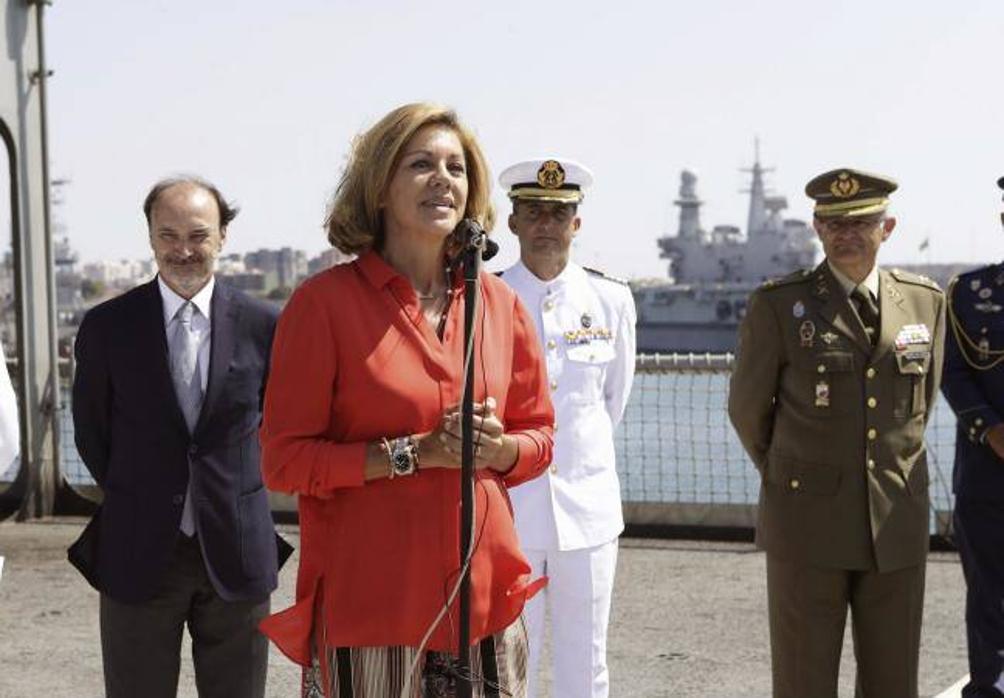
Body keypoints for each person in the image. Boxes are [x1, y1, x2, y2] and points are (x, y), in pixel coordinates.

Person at [258, 103, 555, 697]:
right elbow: (285, 462)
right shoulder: (323, 306)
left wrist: (498, 449)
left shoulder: (499, 306)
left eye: (456, 167)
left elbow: (541, 440)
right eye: (421, 164)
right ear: (380, 187)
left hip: (485, 608)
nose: (443, 178)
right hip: (372, 609)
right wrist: (412, 453)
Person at [68, 177, 293, 698]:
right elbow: (91, 434)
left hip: (236, 551)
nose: (183, 250)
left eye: (197, 235)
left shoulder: (267, 324)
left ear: (223, 236)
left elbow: (279, 427)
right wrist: (147, 489)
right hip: (136, 549)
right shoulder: (107, 326)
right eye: (167, 235)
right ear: (149, 237)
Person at [728, 167, 945, 698]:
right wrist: (799, 473)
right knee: (805, 681)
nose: (846, 233)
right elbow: (748, 410)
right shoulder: (780, 305)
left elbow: (919, 407)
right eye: (833, 223)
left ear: (887, 227)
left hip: (895, 523)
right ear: (817, 229)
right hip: (807, 524)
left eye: (861, 222)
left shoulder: (924, 301)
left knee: (894, 682)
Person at [496, 157, 635, 698]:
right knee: (509, 658)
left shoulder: (611, 299)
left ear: (576, 223)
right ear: (513, 222)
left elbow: (612, 401)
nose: (546, 224)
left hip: (589, 509)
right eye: (534, 212)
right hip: (511, 510)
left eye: (559, 213)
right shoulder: (487, 296)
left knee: (588, 661)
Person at [941, 174, 1004, 697]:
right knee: (989, 593)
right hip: (989, 474)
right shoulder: (969, 293)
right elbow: (953, 371)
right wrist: (993, 431)